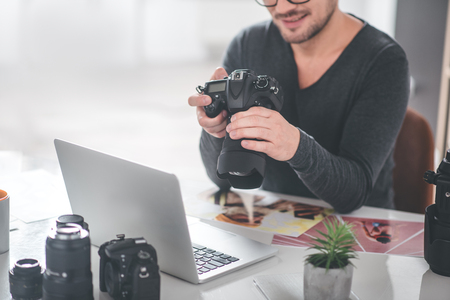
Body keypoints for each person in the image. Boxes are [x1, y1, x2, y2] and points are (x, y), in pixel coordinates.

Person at [188, 0, 409, 213]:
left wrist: (295, 146)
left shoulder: (384, 61)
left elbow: (353, 194)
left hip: (359, 229)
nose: (283, 8)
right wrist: (216, 128)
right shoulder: (248, 44)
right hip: (274, 218)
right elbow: (221, 179)